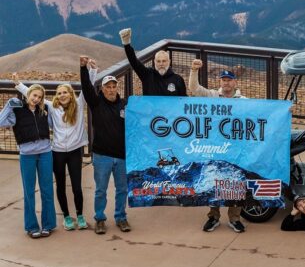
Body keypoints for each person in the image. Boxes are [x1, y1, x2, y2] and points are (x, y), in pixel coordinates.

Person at [14, 62, 98, 231]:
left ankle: (80, 215)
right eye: (59, 93)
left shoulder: (79, 104)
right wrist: (18, 84)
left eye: (65, 92)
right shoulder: (52, 107)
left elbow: (88, 87)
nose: (62, 95)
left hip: (75, 151)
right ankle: (67, 217)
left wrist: (93, 71)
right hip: (57, 152)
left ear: (70, 93)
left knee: (76, 186)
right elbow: (33, 95)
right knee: (60, 185)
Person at [189, 58, 246, 233]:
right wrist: (194, 71)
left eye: (229, 80)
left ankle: (234, 218)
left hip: (235, 147)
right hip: (215, 146)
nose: (226, 83)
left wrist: (284, 110)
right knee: (213, 181)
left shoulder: (243, 100)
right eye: (223, 80)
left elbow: (263, 113)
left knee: (235, 182)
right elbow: (194, 89)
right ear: (220, 82)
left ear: (235, 82)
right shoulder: (213, 96)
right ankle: (213, 217)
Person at [80, 56, 130, 235]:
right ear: (102, 89)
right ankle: (100, 219)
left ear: (117, 87)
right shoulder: (96, 103)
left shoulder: (125, 105)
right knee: (100, 190)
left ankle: (121, 217)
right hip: (102, 156)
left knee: (122, 190)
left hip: (122, 155)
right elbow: (86, 87)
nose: (111, 89)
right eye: (107, 87)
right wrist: (83, 68)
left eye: (113, 86)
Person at [0, 84, 57, 238]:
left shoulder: (44, 110)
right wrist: (8, 105)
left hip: (45, 153)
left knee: (47, 190)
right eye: (34, 95)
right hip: (27, 155)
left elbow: (55, 124)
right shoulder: (16, 111)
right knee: (29, 192)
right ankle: (32, 227)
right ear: (28, 94)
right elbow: (1, 122)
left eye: (39, 97)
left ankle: (49, 224)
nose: (36, 99)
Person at [119, 27, 187, 96]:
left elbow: (183, 100)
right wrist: (126, 44)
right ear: (154, 62)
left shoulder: (178, 79)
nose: (161, 64)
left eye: (164, 61)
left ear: (169, 62)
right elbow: (134, 62)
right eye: (158, 61)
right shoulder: (147, 75)